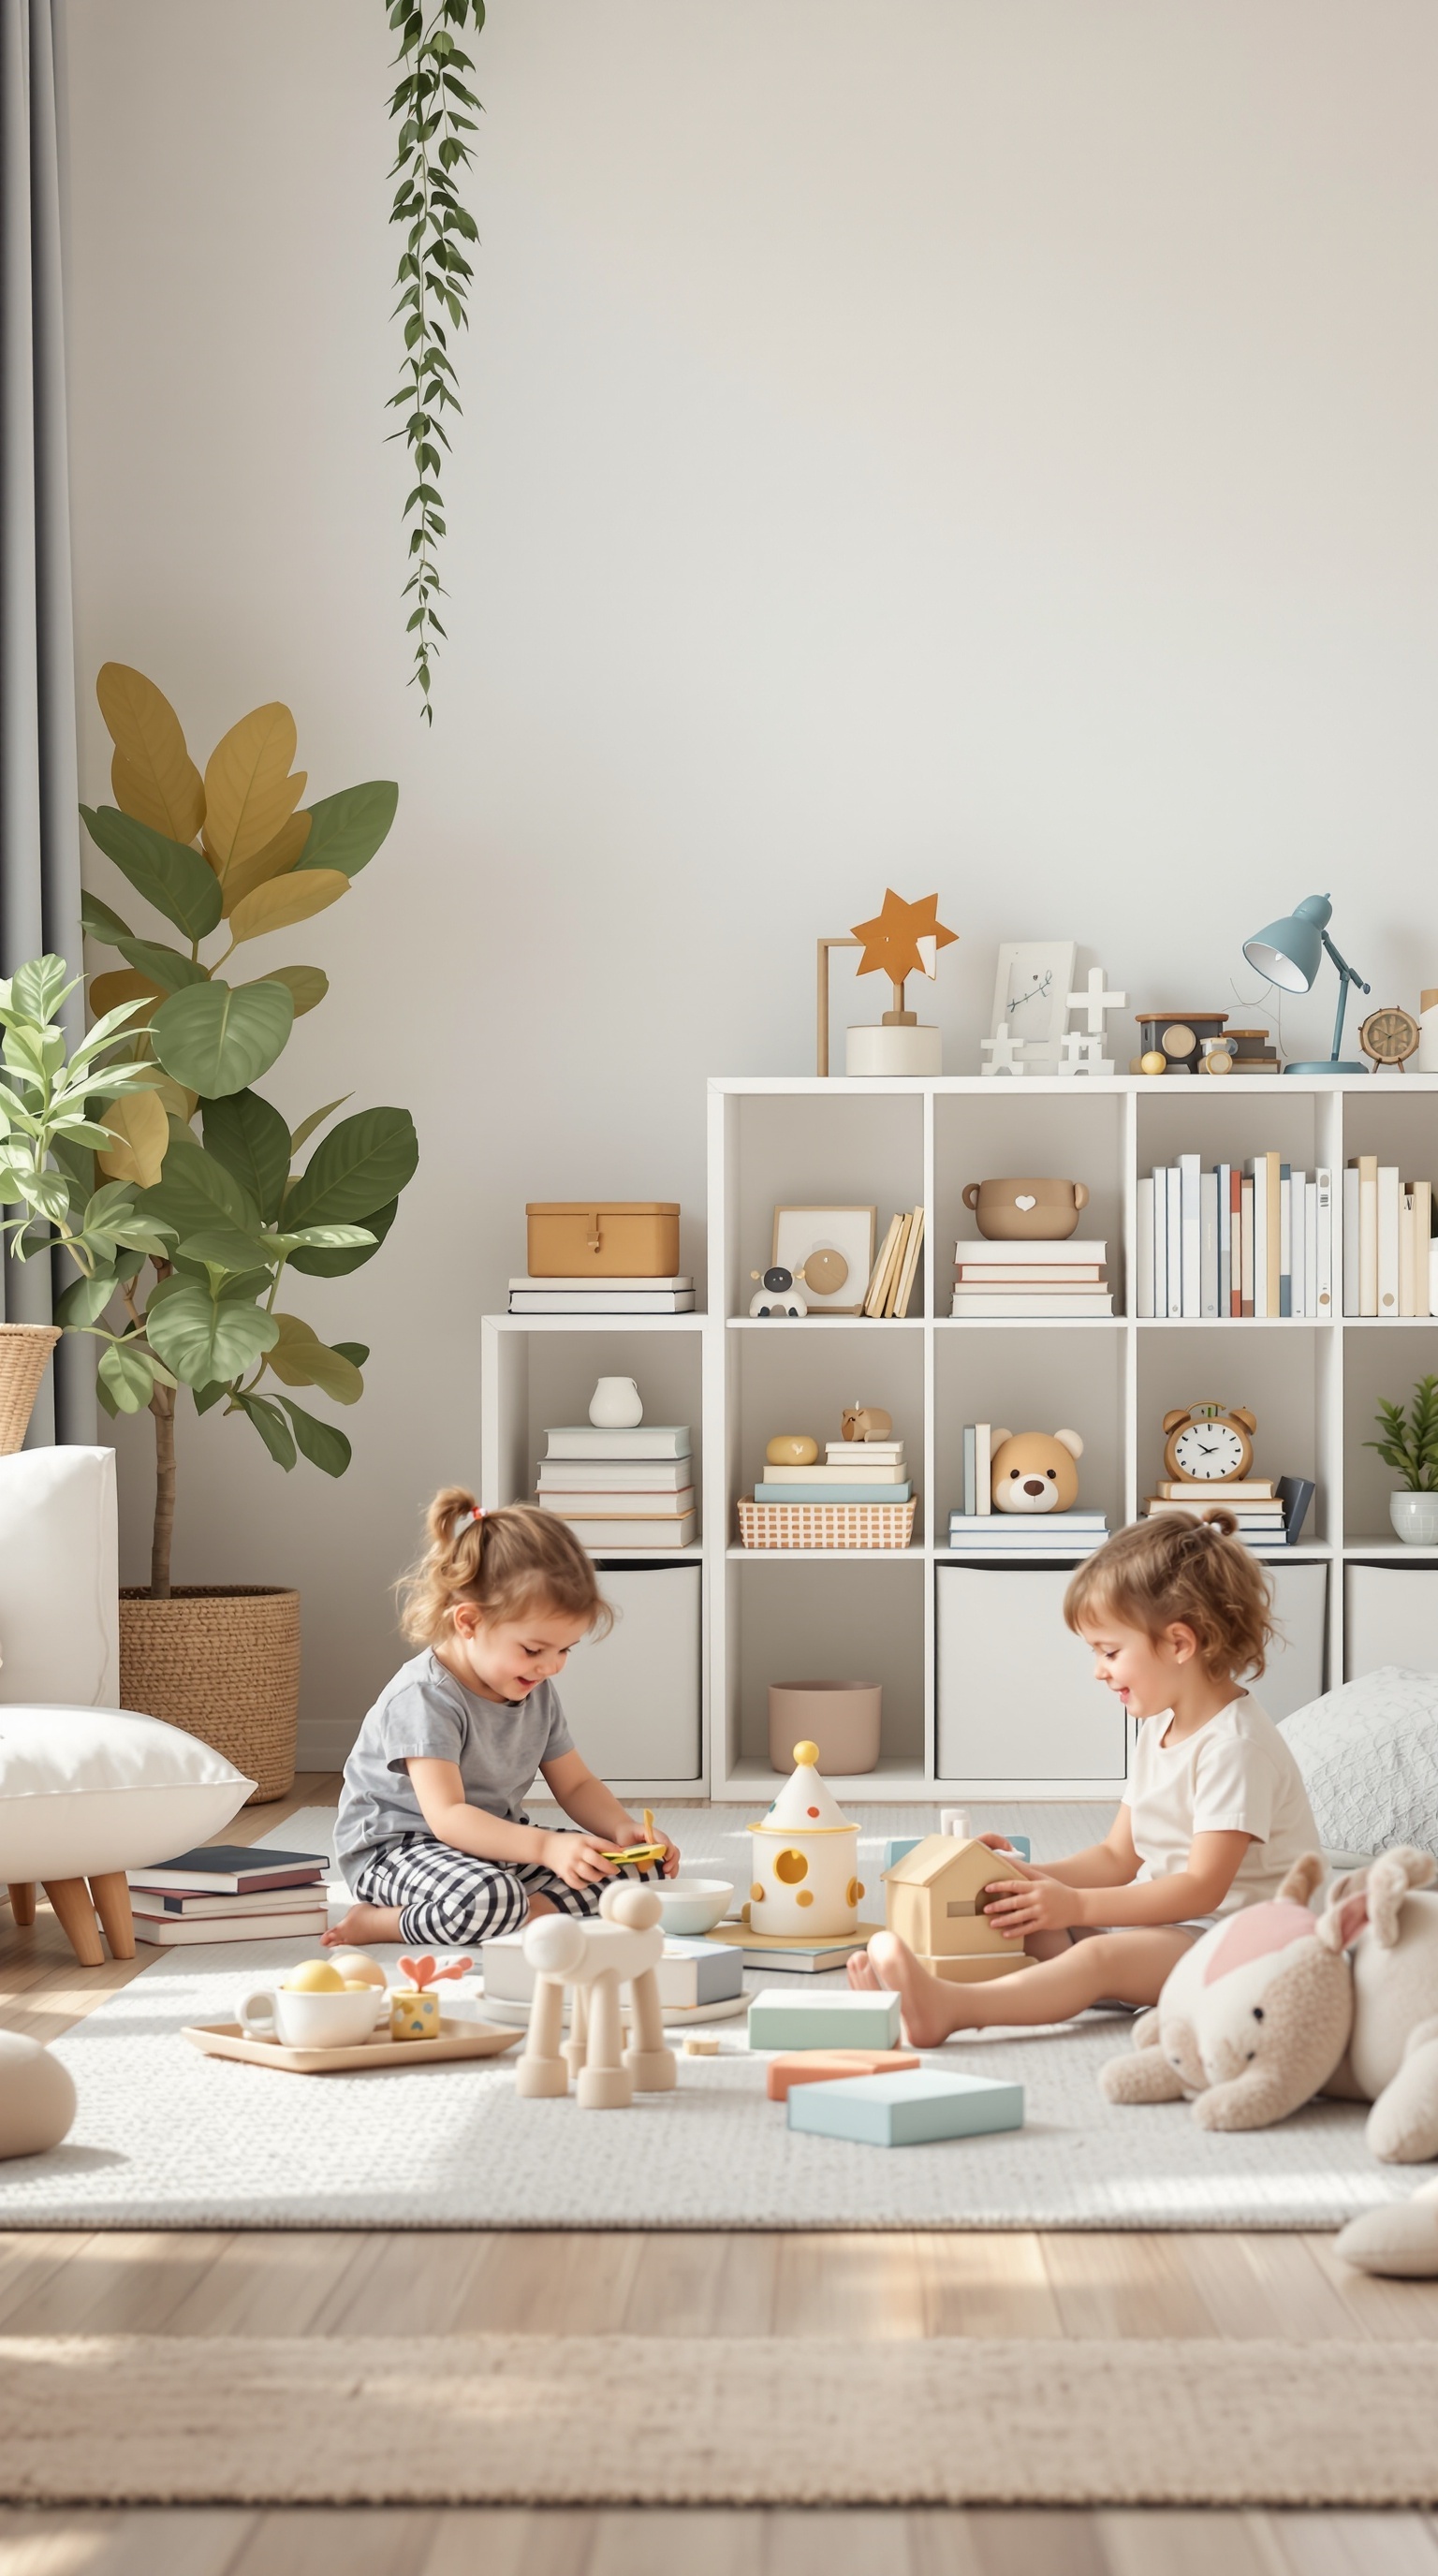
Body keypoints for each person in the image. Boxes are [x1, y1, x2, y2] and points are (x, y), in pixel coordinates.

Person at [848, 1506, 1320, 2044]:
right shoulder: (1162, 1727)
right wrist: (1024, 1880)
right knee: (1029, 1921)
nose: (1098, 1670)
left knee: (1095, 1955)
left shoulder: (1235, 1747)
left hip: (1245, 1945)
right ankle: (920, 1988)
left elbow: (1201, 1889)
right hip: (1174, 1929)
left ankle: (955, 2008)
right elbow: (1117, 1858)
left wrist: (1075, 1905)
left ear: (1180, 1643)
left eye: (1110, 1651)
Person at [327, 1490, 679, 1952]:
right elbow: (449, 1818)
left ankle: (521, 1913)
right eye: (535, 1650)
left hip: (492, 1845)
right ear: (469, 1622)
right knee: (489, 1897)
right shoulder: (425, 1698)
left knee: (632, 1868)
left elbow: (574, 1785)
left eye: (564, 1650)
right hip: (400, 1851)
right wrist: (545, 1849)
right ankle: (379, 1923)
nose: (551, 1667)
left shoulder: (534, 1690)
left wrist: (620, 1829)